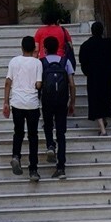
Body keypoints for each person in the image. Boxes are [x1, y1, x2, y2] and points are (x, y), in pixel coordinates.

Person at [3, 34, 44, 179]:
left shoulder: (14, 61)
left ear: (21, 48)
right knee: (33, 136)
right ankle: (33, 169)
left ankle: (16, 156)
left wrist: (6, 102)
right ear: (34, 48)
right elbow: (39, 84)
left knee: (18, 132)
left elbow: (8, 82)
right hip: (32, 104)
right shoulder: (37, 63)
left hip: (17, 103)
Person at [37, 33, 73, 177]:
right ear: (58, 47)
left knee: (47, 124)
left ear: (44, 48)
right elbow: (71, 84)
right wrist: (72, 102)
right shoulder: (65, 61)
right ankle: (61, 167)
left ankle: (50, 145)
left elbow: (39, 84)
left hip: (47, 100)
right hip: (62, 101)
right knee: (61, 132)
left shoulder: (41, 62)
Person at [78, 23, 111, 130]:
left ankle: (102, 127)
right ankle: (103, 121)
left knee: (95, 100)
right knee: (105, 98)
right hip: (107, 76)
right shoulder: (108, 43)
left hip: (94, 77)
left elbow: (83, 63)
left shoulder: (86, 45)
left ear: (92, 31)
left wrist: (89, 73)